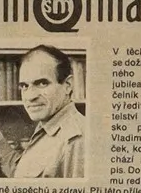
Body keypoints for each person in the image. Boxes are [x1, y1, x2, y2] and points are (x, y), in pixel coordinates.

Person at [5, 44, 86, 178]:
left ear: (68, 85)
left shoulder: (76, 140)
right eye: (24, 86)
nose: (30, 96)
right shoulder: (48, 123)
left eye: (42, 83)